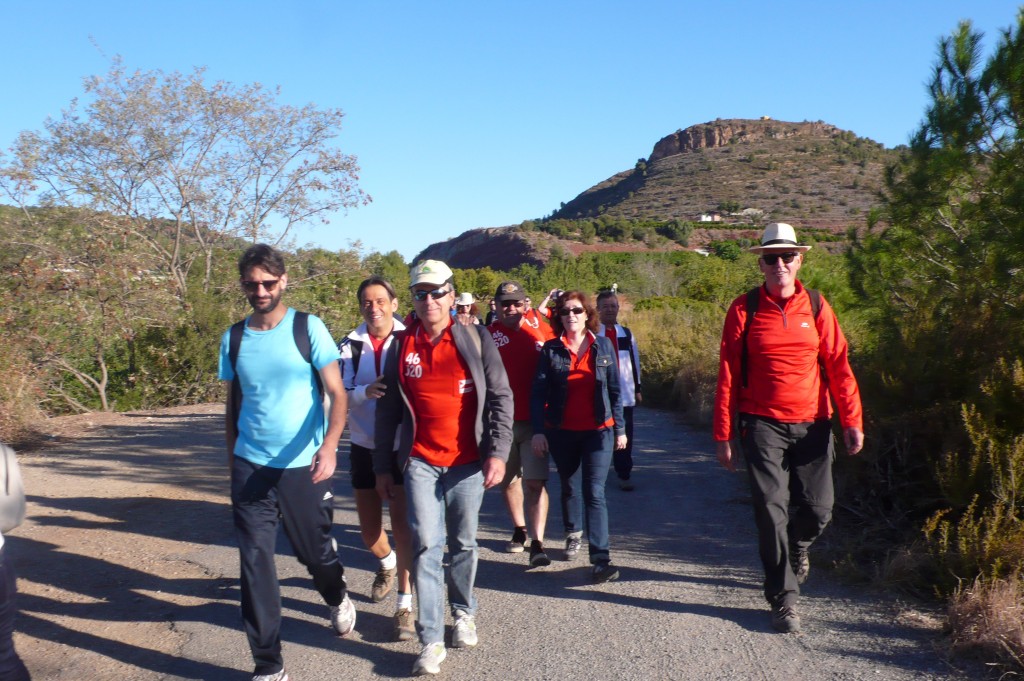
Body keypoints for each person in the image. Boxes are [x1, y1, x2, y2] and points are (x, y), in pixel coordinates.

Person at [713, 223, 864, 634]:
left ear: (800, 260)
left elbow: (838, 365)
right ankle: (784, 599)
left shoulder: (816, 305)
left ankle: (798, 546)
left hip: (814, 423)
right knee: (769, 511)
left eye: (787, 256)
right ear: (760, 263)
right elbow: (728, 373)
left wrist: (852, 420)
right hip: (761, 424)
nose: (779, 264)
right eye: (770, 257)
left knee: (818, 510)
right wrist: (723, 434)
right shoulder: (743, 308)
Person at [219, 244, 355, 681]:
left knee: (313, 553)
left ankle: (335, 596)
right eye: (251, 284)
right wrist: (232, 464)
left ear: (283, 281)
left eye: (268, 282)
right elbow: (233, 405)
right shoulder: (234, 337)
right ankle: (268, 664)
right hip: (250, 466)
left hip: (302, 464)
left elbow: (336, 393)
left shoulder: (307, 328)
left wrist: (330, 446)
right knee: (255, 561)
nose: (260, 290)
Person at [374, 259, 513, 676]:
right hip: (420, 462)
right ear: (412, 299)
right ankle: (431, 639)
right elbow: (388, 411)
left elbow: (501, 396)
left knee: (465, 543)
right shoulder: (401, 346)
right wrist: (383, 466)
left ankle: (464, 612)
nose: (429, 300)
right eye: (420, 293)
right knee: (425, 547)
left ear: (452, 295)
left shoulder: (475, 337)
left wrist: (499, 451)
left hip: (468, 462)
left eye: (437, 292)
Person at [338, 277, 415, 642]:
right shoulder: (349, 345)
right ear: (361, 306)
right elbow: (335, 392)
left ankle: (405, 605)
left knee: (402, 528)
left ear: (394, 303)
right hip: (364, 444)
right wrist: (363, 393)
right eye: (367, 302)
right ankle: (386, 565)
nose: (375, 307)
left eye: (381, 300)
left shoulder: (409, 339)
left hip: (403, 447)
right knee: (370, 531)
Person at [531, 290, 626, 584]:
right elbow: (539, 394)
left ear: (587, 314)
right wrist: (538, 431)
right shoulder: (551, 349)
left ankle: (601, 559)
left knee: (594, 491)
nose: (571, 315)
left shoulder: (604, 346)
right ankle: (573, 533)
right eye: (565, 312)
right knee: (570, 486)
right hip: (562, 431)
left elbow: (614, 390)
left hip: (599, 430)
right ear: (558, 317)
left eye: (576, 310)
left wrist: (620, 429)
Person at [487, 281, 555, 567]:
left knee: (535, 482)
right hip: (501, 422)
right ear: (497, 307)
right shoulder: (487, 336)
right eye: (505, 304)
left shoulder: (542, 328)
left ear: (526, 303)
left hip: (537, 420)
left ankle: (537, 544)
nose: (511, 308)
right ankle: (519, 529)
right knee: (509, 480)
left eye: (516, 303)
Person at [596, 290, 643, 491]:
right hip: (598, 392)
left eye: (613, 306)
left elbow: (635, 361)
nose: (609, 310)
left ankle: (624, 473)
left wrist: (638, 388)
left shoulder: (626, 333)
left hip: (624, 392)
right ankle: (598, 472)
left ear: (618, 308)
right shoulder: (591, 334)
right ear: (597, 309)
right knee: (599, 432)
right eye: (605, 306)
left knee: (625, 433)